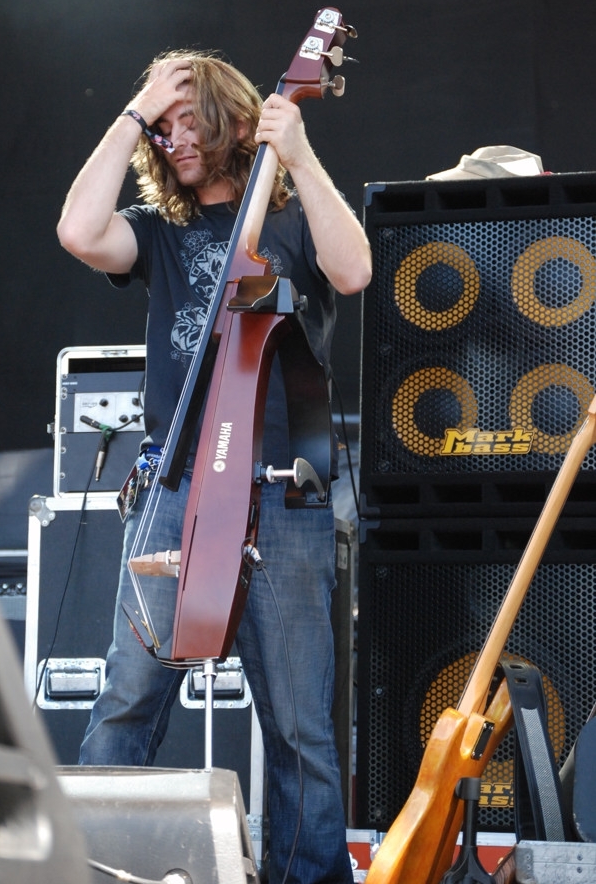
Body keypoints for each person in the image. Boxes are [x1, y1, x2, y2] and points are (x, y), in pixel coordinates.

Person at [57, 49, 372, 884]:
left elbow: (354, 271)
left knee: (299, 726)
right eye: (161, 128)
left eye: (187, 118)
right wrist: (134, 112)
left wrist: (297, 152)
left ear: (233, 118)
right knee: (127, 702)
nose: (174, 139)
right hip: (177, 491)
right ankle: (96, 869)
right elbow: (78, 233)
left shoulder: (293, 221)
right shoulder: (159, 232)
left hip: (283, 495)